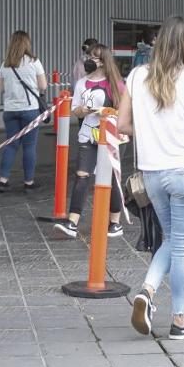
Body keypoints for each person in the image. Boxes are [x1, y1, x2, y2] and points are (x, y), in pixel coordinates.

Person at [120, 16, 184, 340]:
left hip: (152, 173)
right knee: (182, 245)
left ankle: (147, 292)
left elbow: (122, 124)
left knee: (172, 239)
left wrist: (151, 131)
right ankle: (179, 320)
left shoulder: (137, 75)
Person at [56, 43, 126, 239]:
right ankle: (72, 222)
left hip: (111, 137)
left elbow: (125, 111)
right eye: (89, 56)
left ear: (103, 61)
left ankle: (115, 222)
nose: (89, 60)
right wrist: (85, 110)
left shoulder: (115, 83)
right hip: (88, 134)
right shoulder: (81, 83)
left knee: (110, 178)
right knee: (82, 175)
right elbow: (76, 110)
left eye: (94, 57)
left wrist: (108, 112)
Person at [0, 30, 47, 192]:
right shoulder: (34, 62)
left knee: (11, 145)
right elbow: (43, 86)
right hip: (30, 110)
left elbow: (1, 89)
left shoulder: (5, 64)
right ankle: (28, 182)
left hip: (10, 110)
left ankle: (3, 180)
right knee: (29, 147)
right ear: (27, 43)